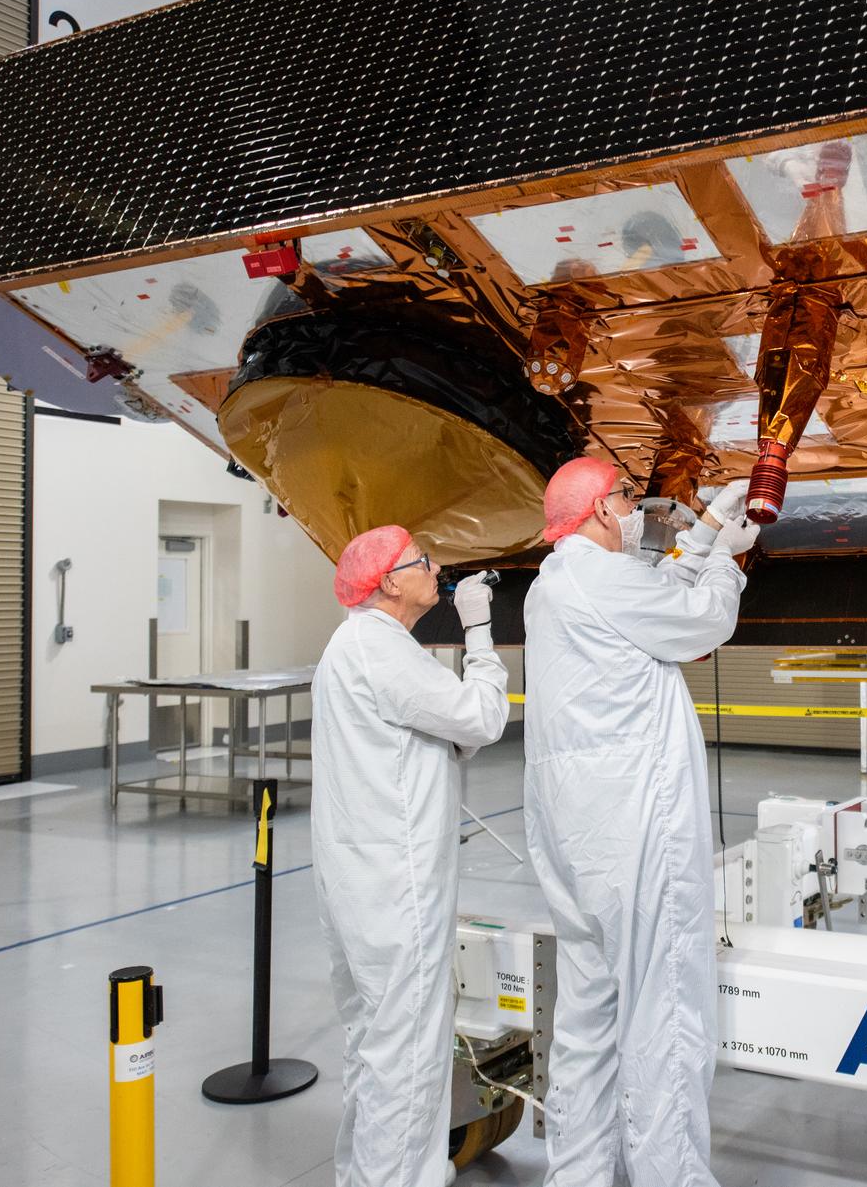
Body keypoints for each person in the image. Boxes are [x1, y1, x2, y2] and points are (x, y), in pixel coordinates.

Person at [522, 459, 760, 1187]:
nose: (637, 506)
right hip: (635, 834)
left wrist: (711, 529)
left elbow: (651, 600)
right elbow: (697, 624)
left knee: (587, 1023)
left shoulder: (554, 585)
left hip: (575, 839)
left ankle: (579, 1175)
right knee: (665, 1015)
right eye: (627, 496)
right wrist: (729, 562)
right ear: (598, 510)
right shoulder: (599, 576)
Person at [310, 525, 508, 1187]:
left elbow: (443, 731)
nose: (439, 568)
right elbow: (481, 719)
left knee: (375, 1043)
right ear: (390, 581)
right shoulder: (380, 648)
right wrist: (479, 629)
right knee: (409, 1052)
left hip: (360, 882)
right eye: (425, 562)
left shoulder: (359, 645)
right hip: (399, 888)